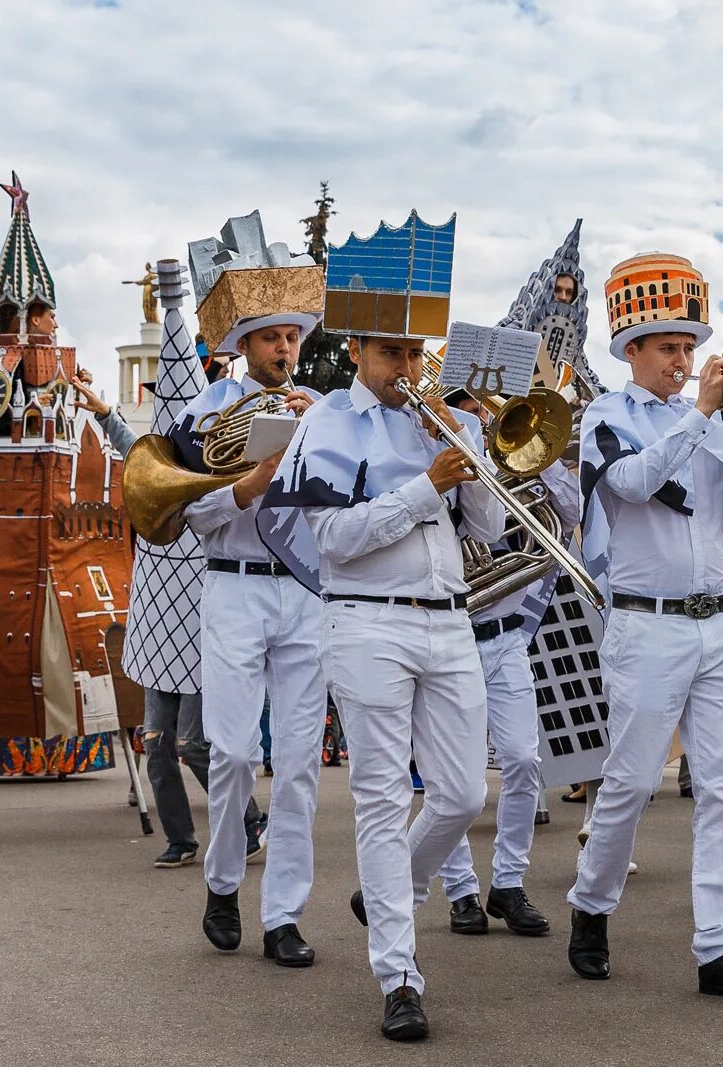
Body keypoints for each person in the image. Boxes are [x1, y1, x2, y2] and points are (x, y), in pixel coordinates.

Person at [259, 288, 506, 1037]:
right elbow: (332, 539)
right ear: (359, 353)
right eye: (392, 352)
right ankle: (398, 975)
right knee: (379, 796)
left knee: (463, 795)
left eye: (414, 353)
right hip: (367, 621)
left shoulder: (447, 421)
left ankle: (391, 881)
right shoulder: (330, 422)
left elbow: (492, 527)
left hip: (448, 616)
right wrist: (427, 484)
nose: (406, 367)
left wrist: (479, 451)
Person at [567, 252, 723, 1003]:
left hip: (720, 622)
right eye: (669, 348)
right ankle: (591, 905)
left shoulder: (720, 424)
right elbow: (631, 482)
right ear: (632, 351)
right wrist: (701, 417)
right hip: (646, 625)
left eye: (690, 348)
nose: (685, 360)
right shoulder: (606, 415)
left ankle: (721, 945)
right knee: (628, 784)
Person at [73, 267, 266, 872]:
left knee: (193, 742)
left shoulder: (215, 455)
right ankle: (181, 838)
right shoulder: (155, 452)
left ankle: (250, 821)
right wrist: (105, 409)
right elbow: (137, 453)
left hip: (198, 605)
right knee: (156, 742)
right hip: (157, 605)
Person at [167, 300, 327, 967]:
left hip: (304, 586)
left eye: (291, 336)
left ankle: (284, 913)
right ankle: (223, 880)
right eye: (271, 338)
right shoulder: (207, 410)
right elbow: (186, 511)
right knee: (231, 752)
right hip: (232, 582)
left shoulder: (319, 406)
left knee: (298, 763)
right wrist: (252, 482)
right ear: (244, 344)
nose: (284, 347)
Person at [434, 388, 580, 938]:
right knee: (458, 778)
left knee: (523, 760)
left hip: (507, 639)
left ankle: (509, 883)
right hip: (454, 639)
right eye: (463, 407)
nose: (477, 418)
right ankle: (460, 891)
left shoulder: (517, 472)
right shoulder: (434, 467)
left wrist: (539, 464)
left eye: (480, 408)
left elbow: (570, 515)